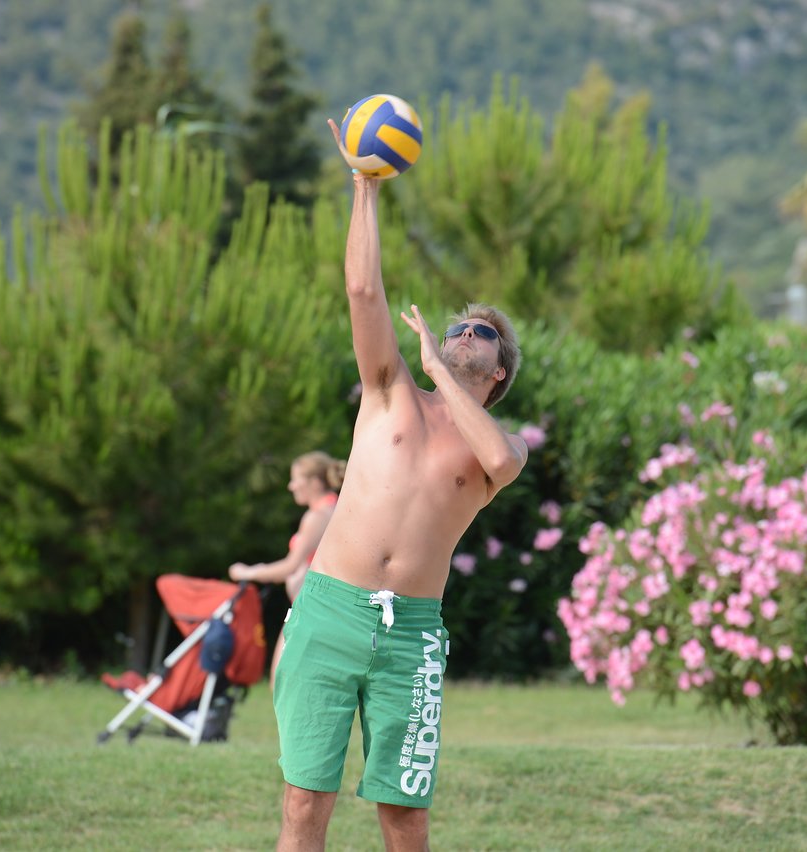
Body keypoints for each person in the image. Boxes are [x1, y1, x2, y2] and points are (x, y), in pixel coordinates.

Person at [271, 122, 528, 852]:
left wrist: (442, 372)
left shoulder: (493, 450)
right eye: (457, 326)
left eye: (480, 332)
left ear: (498, 369)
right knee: (302, 804)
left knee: (405, 818)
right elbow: (362, 287)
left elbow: (503, 467)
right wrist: (364, 187)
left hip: (411, 636)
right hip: (330, 612)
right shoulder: (389, 393)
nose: (463, 330)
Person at [229, 451, 345, 686]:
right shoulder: (333, 509)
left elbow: (290, 566)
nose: (291, 486)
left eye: (296, 479)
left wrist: (247, 572)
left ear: (314, 482)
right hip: (316, 612)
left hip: (311, 614)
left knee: (282, 686)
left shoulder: (319, 516)